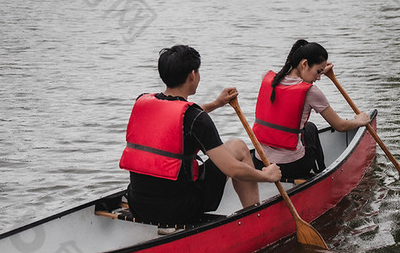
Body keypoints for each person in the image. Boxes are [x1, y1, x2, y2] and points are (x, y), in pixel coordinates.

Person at [119, 44, 282, 225]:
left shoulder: (144, 102)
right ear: (192, 75)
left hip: (138, 204)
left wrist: (216, 103)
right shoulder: (196, 119)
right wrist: (267, 176)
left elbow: (179, 119)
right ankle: (254, 220)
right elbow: (232, 169)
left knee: (228, 150)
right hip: (179, 210)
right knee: (240, 148)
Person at [252, 38, 371, 180]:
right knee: (311, 128)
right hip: (290, 166)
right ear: (304, 64)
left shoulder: (267, 77)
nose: (319, 78)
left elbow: (289, 80)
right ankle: (321, 173)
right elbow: (339, 125)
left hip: (260, 162)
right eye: (318, 72)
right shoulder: (311, 92)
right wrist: (359, 121)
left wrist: (318, 70)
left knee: (307, 129)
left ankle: (316, 174)